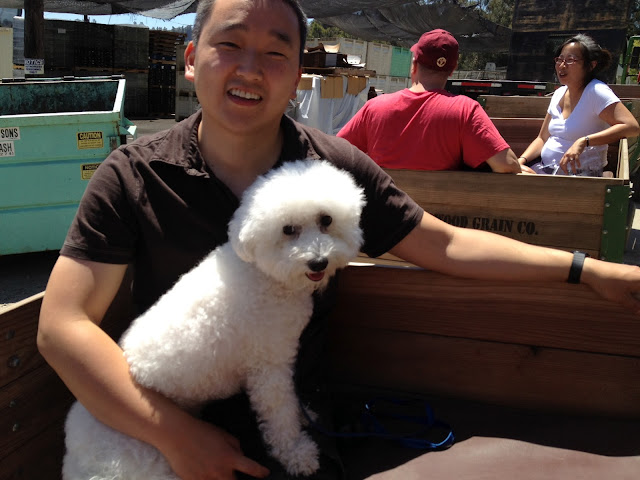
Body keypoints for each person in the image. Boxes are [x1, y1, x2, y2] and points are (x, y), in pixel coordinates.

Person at [37, 2, 640, 480]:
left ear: (297, 73)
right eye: (231, 44)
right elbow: (62, 325)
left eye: (276, 52)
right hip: (148, 424)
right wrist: (175, 435)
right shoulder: (131, 175)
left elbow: (444, 244)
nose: (250, 68)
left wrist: (589, 269)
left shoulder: (333, 169)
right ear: (192, 59)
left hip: (292, 420)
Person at [337, 29, 534, 174]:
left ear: (414, 64)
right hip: (438, 215)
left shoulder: (375, 107)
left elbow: (336, 153)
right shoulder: (465, 110)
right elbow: (506, 165)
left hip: (384, 213)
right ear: (452, 70)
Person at [519, 33, 640, 176]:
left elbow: (632, 127)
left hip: (581, 177)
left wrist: (584, 141)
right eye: (560, 59)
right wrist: (520, 161)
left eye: (570, 60)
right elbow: (542, 138)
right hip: (546, 170)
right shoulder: (559, 93)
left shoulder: (596, 91)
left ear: (591, 65)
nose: (562, 65)